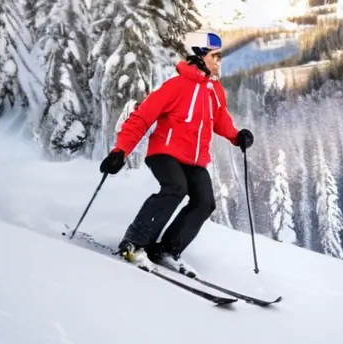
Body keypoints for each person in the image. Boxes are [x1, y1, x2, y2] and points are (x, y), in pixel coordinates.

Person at [99, 31, 254, 277]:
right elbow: (141, 118)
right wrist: (120, 151)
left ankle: (167, 250)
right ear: (200, 55)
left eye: (220, 56)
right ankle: (134, 243)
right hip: (164, 152)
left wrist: (237, 136)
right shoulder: (175, 86)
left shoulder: (214, 90)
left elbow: (220, 120)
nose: (219, 61)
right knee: (175, 188)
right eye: (216, 56)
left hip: (194, 159)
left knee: (205, 202)